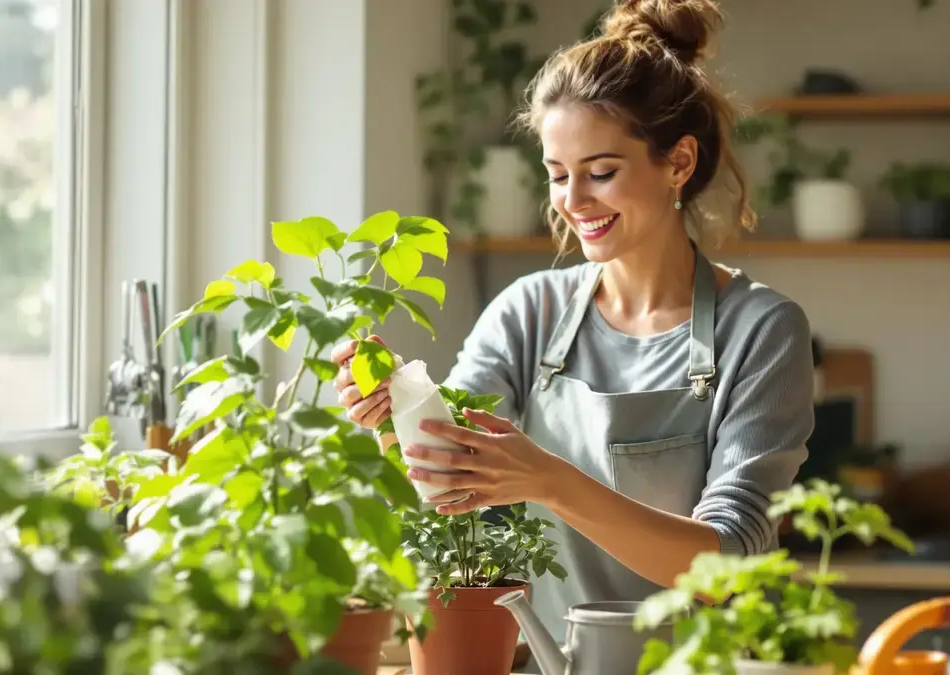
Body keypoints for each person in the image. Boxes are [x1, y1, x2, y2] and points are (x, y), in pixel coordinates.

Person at [331, 0, 814, 645]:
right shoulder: (528, 312)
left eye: (601, 173)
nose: (574, 201)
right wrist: (397, 415)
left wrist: (551, 480)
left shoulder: (761, 329)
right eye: (558, 175)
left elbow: (727, 565)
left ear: (678, 162)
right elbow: (453, 493)